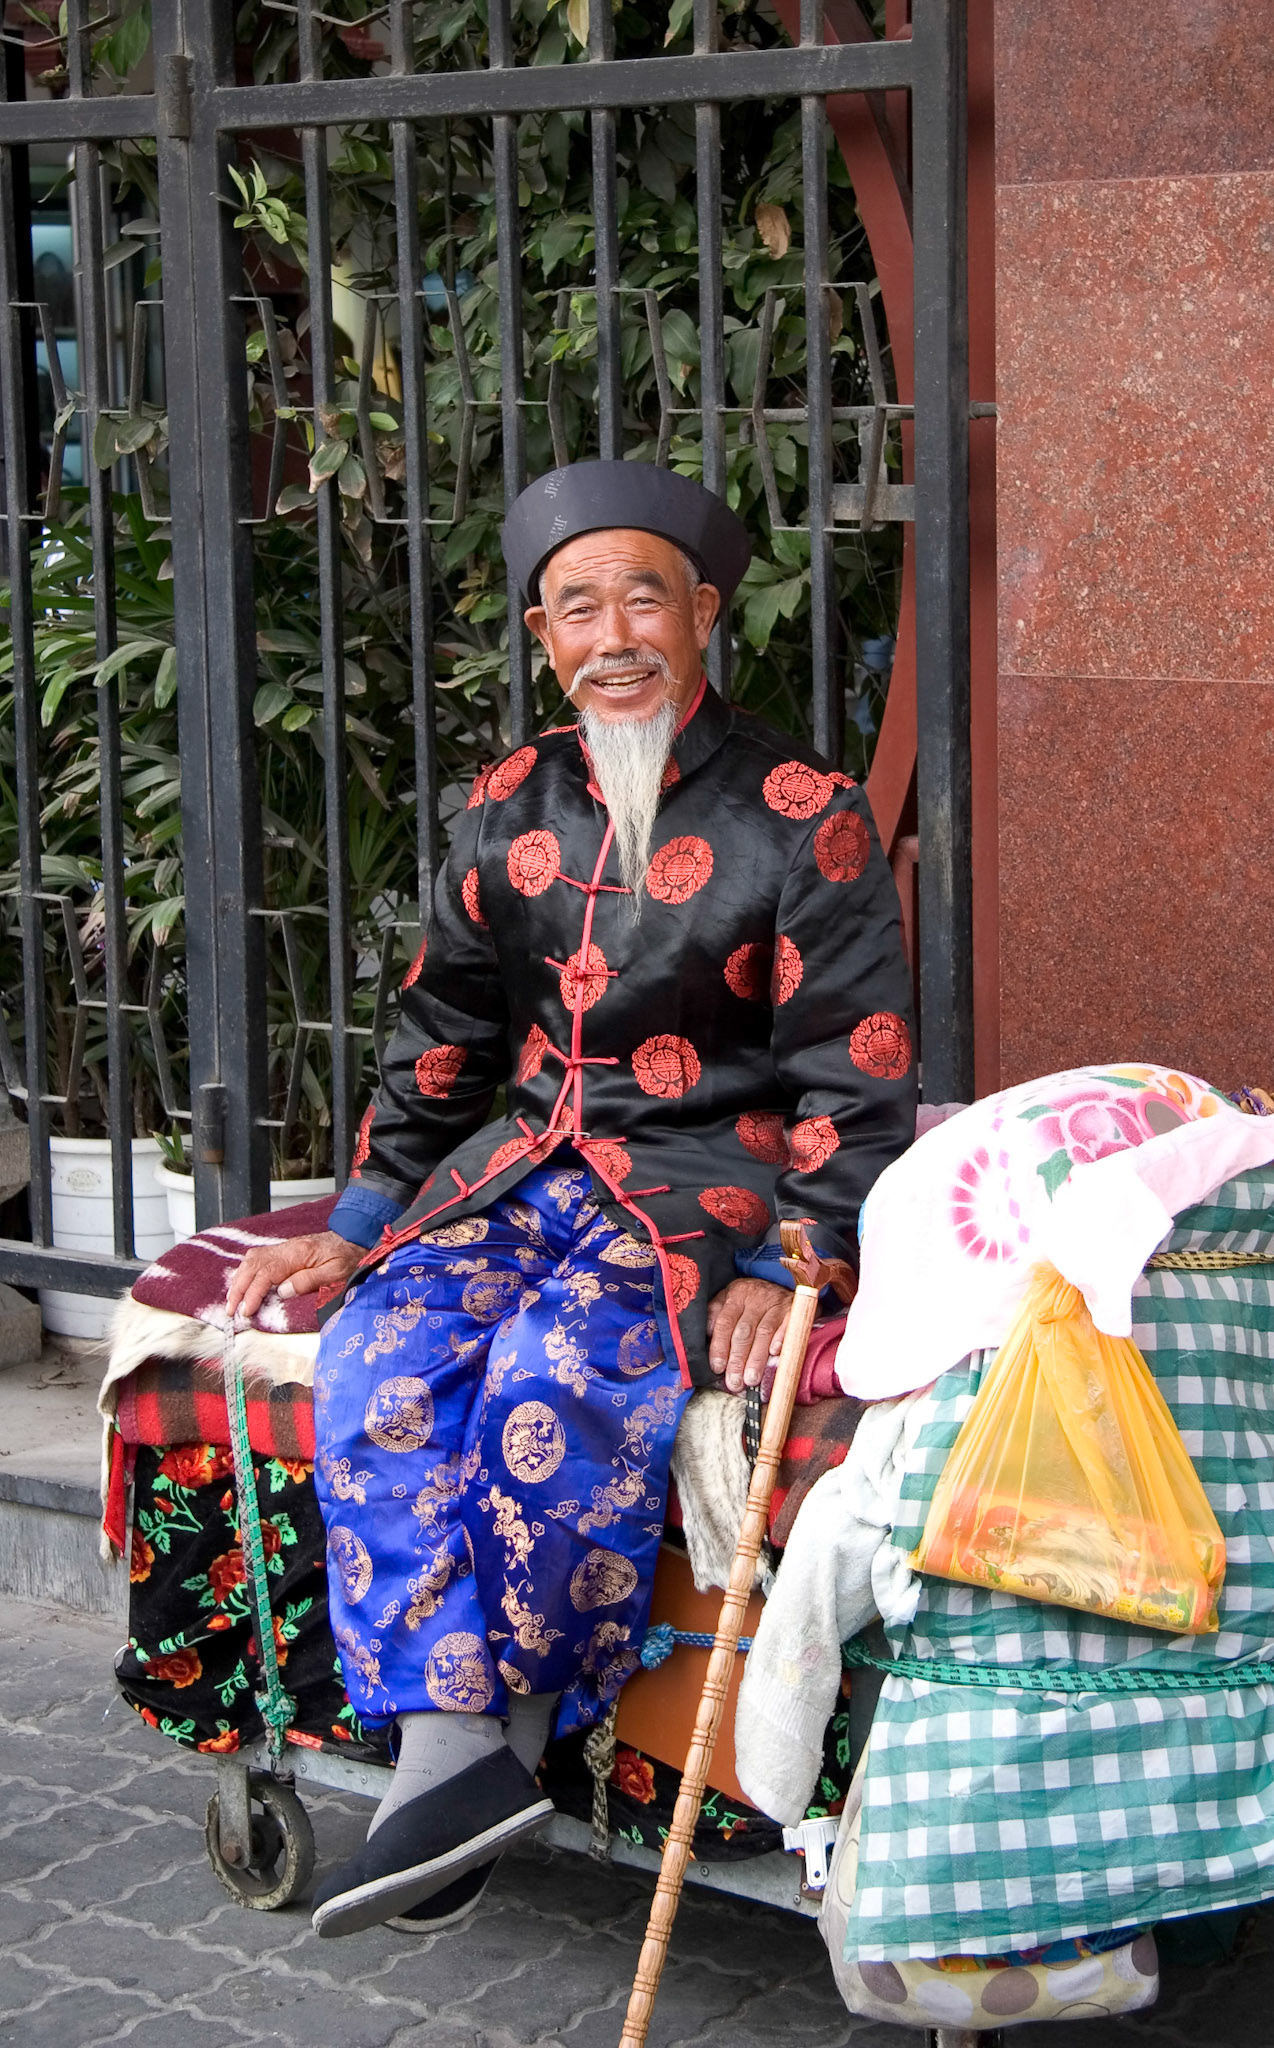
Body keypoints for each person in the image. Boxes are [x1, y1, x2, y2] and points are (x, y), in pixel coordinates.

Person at [225, 461, 916, 1936]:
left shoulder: (808, 814)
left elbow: (856, 1081)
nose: (614, 634)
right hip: (521, 1176)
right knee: (379, 1358)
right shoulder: (504, 806)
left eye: (644, 597)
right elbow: (441, 1043)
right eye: (577, 606)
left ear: (707, 615)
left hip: (696, 1196)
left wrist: (795, 1260)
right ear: (544, 636)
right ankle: (451, 1750)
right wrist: (352, 1233)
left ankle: (495, 1751)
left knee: (558, 1376)